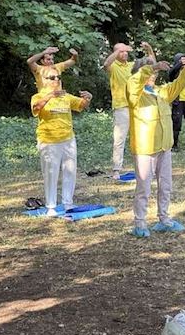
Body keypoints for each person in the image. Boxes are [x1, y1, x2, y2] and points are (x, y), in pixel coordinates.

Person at [127, 44, 185, 237]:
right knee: (144, 188)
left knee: (166, 185)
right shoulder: (134, 91)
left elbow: (179, 84)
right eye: (148, 68)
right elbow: (135, 81)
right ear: (140, 71)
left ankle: (164, 219)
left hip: (165, 146)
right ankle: (140, 224)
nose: (153, 72)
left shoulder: (160, 91)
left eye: (154, 69)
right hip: (145, 148)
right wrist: (152, 66)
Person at [31, 68, 92, 216]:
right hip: (49, 140)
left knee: (70, 171)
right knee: (51, 173)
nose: (56, 80)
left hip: (68, 139)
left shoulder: (66, 96)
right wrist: (50, 96)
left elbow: (80, 106)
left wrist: (88, 98)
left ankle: (68, 203)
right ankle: (51, 206)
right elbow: (36, 108)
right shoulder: (38, 96)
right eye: (52, 78)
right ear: (44, 80)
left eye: (58, 77)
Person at [103, 43, 135, 178]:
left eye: (126, 51)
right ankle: (117, 169)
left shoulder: (132, 65)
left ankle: (141, 166)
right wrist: (118, 51)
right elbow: (105, 64)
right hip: (121, 106)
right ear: (116, 53)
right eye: (121, 51)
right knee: (119, 138)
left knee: (138, 137)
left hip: (135, 106)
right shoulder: (113, 66)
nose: (125, 53)